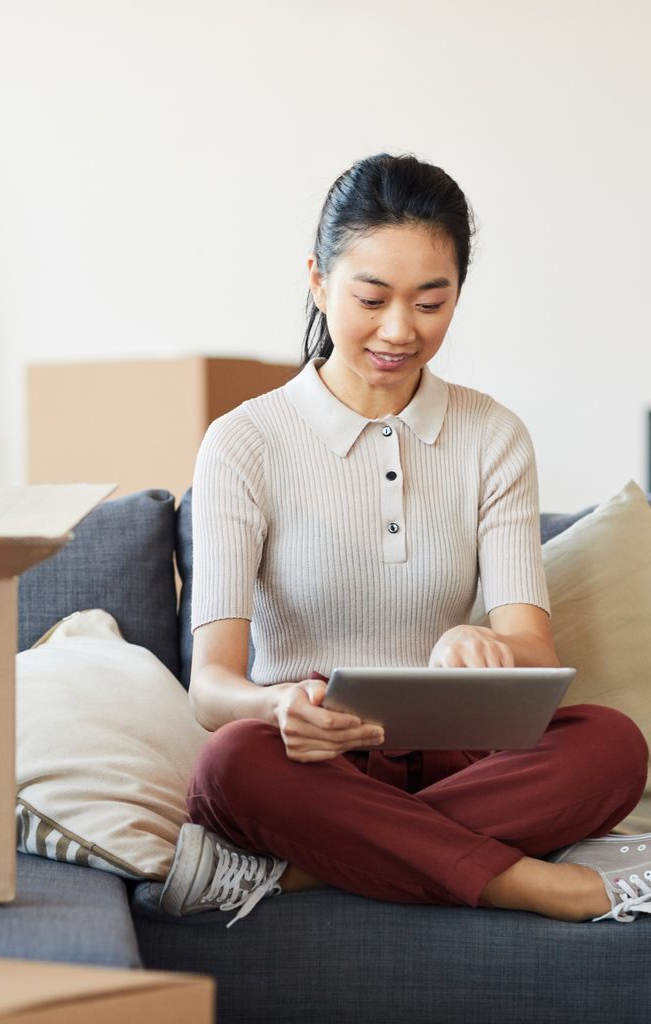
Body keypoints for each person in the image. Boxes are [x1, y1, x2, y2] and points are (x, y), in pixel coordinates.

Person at [159, 153, 650, 927]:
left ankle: (318, 868)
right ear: (318, 281)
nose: (400, 330)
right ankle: (529, 881)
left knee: (614, 745)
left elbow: (533, 648)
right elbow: (212, 689)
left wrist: (483, 643)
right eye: (372, 298)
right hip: (312, 765)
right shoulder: (245, 442)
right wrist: (277, 702)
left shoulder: (493, 435)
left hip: (463, 762)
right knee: (231, 766)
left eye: (431, 301)